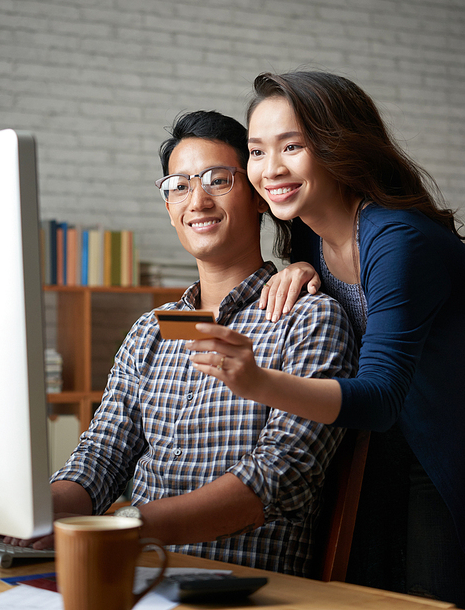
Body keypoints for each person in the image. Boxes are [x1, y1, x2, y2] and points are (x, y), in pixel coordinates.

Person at [2, 110, 356, 576]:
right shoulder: (151, 330)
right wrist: (30, 517)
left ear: (256, 196)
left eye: (217, 180)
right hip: (132, 574)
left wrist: (127, 525)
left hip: (240, 589)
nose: (198, 201)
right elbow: (102, 455)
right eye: (179, 186)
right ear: (168, 208)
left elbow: (281, 474)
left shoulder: (308, 318)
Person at [191, 72, 465, 606]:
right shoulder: (313, 241)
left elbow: (383, 396)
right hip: (378, 453)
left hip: (441, 452)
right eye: (256, 151)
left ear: (339, 145)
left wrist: (258, 381)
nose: (270, 170)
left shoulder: (398, 240)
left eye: (293, 147)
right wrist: (298, 265)